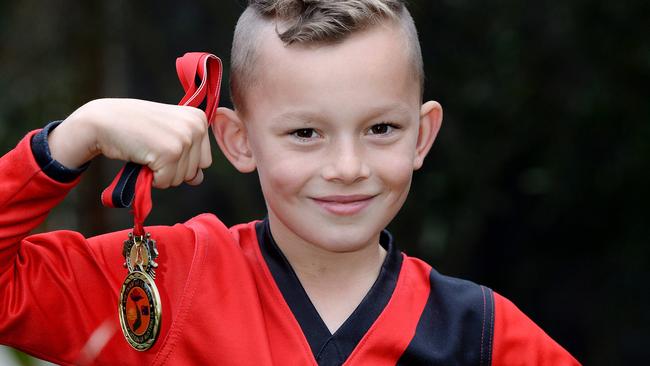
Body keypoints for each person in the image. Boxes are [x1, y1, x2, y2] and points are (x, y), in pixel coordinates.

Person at [0, 0, 580, 365]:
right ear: (237, 140)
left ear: (422, 135)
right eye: (306, 133)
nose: (347, 166)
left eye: (381, 127)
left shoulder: (480, 333)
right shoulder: (170, 279)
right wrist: (72, 139)